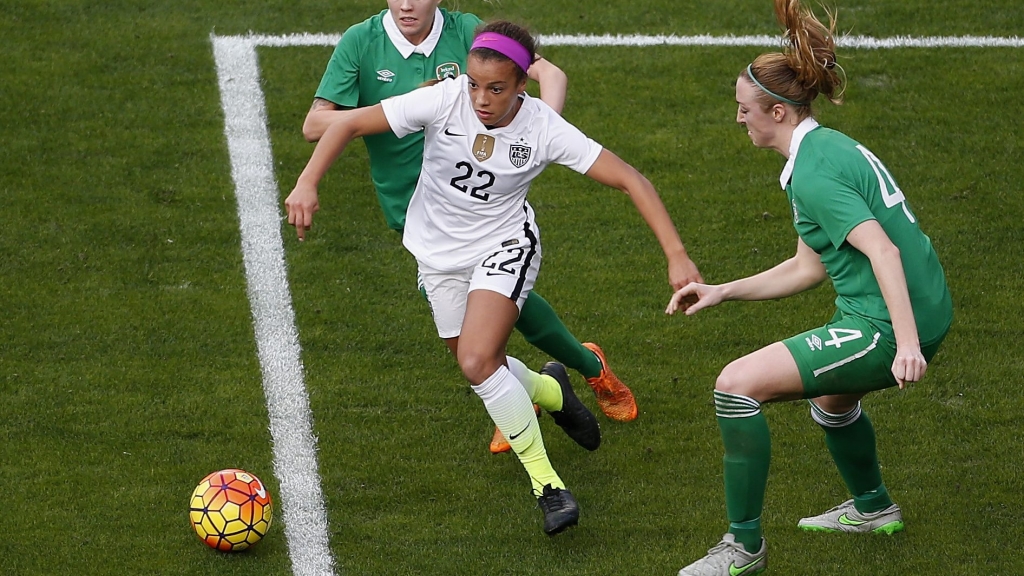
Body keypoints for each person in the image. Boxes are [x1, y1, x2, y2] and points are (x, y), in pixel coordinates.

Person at [287, 20, 702, 534]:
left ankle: (548, 486)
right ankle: (551, 390)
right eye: (474, 84)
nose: (481, 99)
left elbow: (630, 180)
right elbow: (346, 124)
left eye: (497, 89)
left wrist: (676, 255)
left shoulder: (544, 128)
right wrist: (308, 182)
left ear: (522, 84)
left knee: (478, 359)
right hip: (436, 254)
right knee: (481, 365)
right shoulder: (445, 99)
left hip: (503, 245)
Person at [667, 0, 953, 573]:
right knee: (831, 399)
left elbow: (882, 250)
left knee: (735, 385)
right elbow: (809, 267)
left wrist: (906, 345)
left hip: (890, 320)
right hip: (913, 304)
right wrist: (725, 289)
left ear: (776, 110)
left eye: (744, 109)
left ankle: (743, 549)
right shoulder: (823, 149)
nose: (738, 118)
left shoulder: (816, 172)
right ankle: (873, 508)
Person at [304, 0, 640, 457]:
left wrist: (538, 129)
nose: (407, 4)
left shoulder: (469, 33)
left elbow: (552, 77)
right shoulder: (361, 43)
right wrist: (403, 107)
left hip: (479, 200)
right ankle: (522, 389)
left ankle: (584, 368)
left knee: (499, 306)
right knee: (462, 324)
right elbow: (314, 125)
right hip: (411, 205)